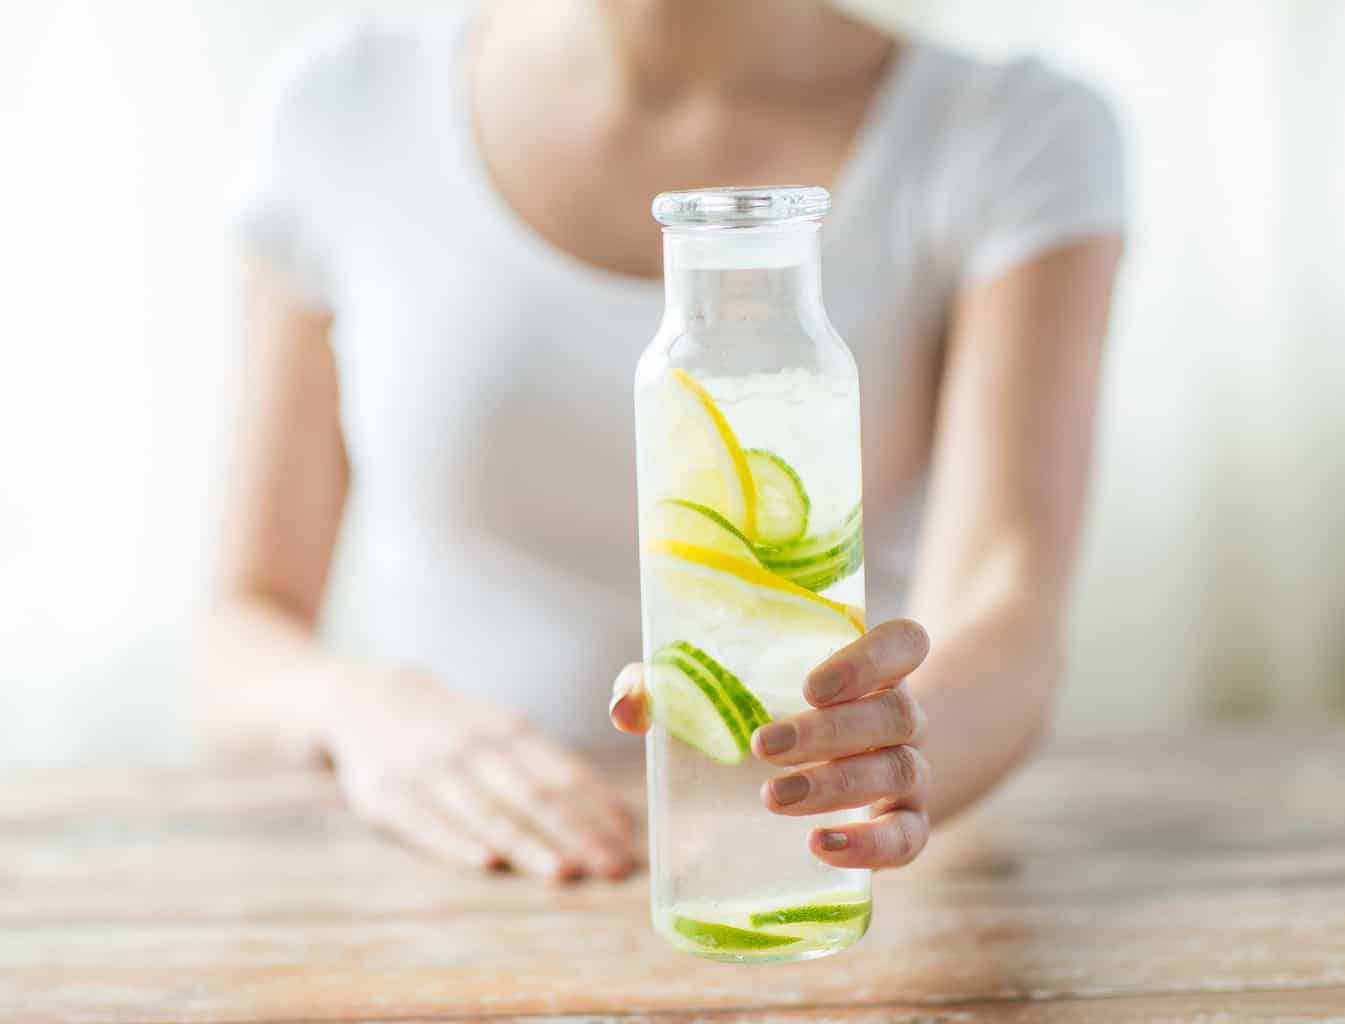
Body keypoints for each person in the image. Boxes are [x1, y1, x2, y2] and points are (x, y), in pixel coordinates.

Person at [204, 0, 1124, 882]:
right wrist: (364, 711)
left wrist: (896, 755)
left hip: (802, 860)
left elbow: (1003, 611)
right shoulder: (346, 102)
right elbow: (242, 626)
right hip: (441, 871)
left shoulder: (1010, 128)